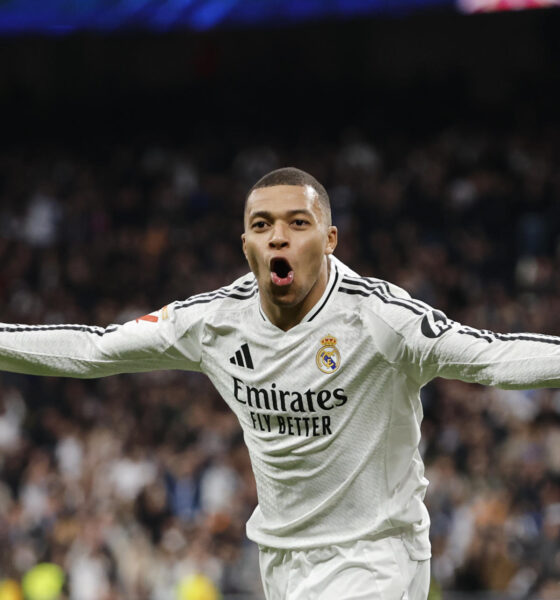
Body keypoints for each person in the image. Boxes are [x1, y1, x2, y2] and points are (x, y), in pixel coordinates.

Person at [1, 166, 559, 600]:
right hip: (282, 558)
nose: (278, 238)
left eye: (298, 223)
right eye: (262, 225)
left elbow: (491, 357)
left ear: (331, 239)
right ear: (244, 244)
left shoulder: (381, 320)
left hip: (376, 555)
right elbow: (93, 349)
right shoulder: (215, 322)